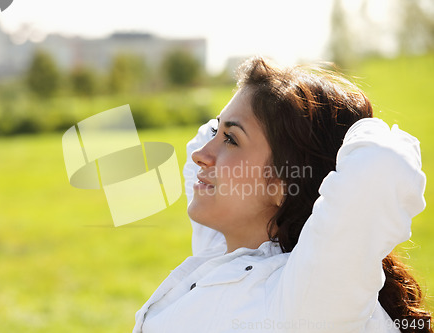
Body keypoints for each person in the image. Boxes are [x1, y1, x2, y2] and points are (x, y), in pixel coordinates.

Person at [133, 57, 432, 332]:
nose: (201, 154)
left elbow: (379, 164)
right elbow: (199, 144)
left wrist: (352, 126)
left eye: (231, 139)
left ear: (285, 184)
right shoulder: (221, 247)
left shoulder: (306, 298)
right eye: (217, 133)